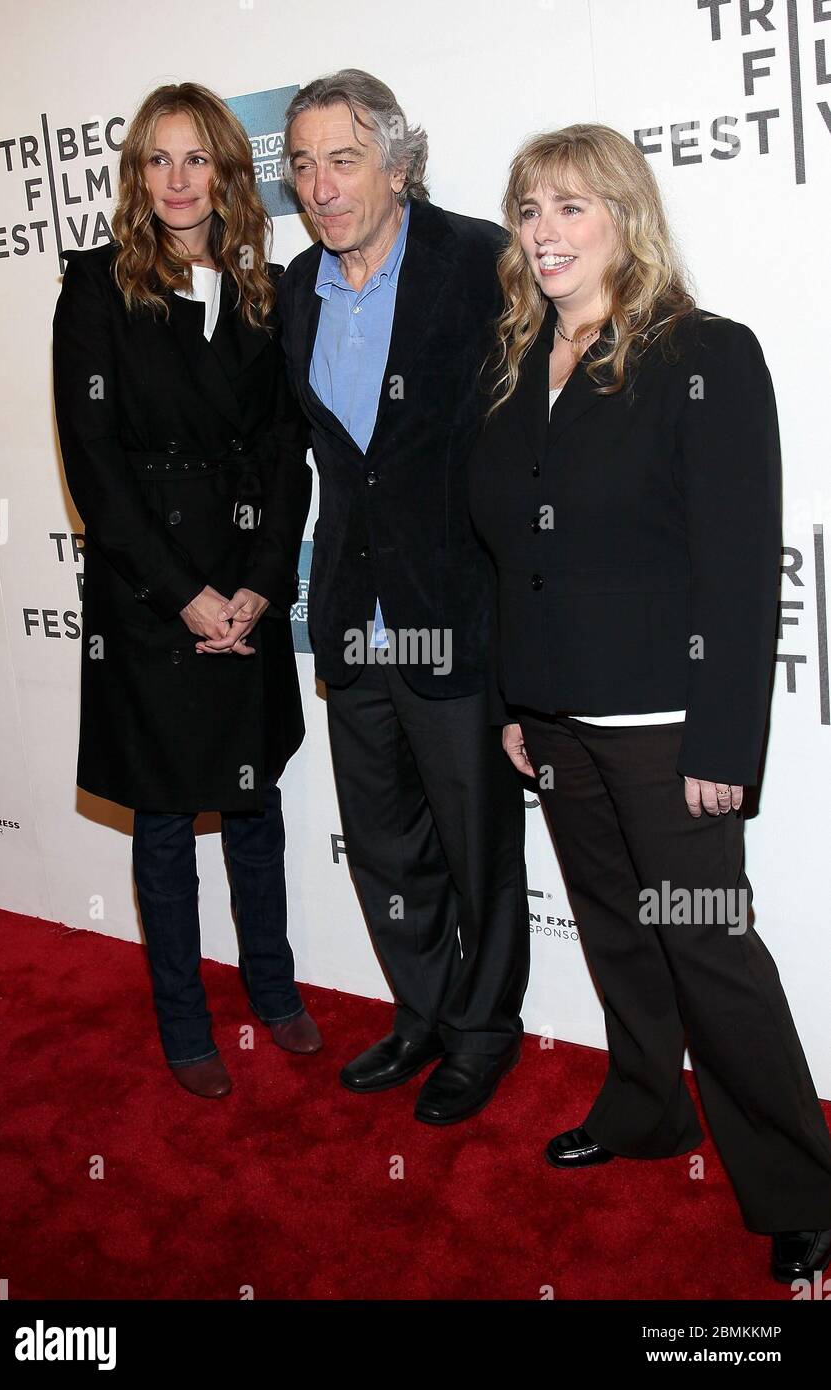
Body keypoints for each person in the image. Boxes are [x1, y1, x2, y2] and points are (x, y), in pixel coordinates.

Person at [468, 122, 831, 1282]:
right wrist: (514, 702)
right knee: (619, 936)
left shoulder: (701, 354)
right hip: (560, 722)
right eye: (529, 210)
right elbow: (504, 559)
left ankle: (799, 1184)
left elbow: (735, 568)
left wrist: (724, 736)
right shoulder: (517, 366)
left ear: (625, 217)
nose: (543, 231)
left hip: (665, 730)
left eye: (570, 206)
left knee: (707, 951)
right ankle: (643, 1110)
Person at [52, 82, 317, 1099]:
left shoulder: (263, 291)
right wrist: (185, 597)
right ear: (136, 175)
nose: (176, 180)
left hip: (244, 585)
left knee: (253, 807)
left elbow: (287, 451)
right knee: (165, 822)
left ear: (225, 171)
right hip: (149, 598)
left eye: (195, 159)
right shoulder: (97, 289)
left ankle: (275, 988)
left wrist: (254, 587)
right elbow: (97, 470)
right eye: (156, 161)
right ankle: (182, 1022)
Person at [277, 70, 530, 1125]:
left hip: (454, 609)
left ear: (396, 159)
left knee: (477, 846)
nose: (321, 186)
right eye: (300, 164)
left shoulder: (477, 260)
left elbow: (529, 432)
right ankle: (420, 1012)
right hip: (351, 615)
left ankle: (483, 1032)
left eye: (342, 158)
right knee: (383, 844)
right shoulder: (297, 288)